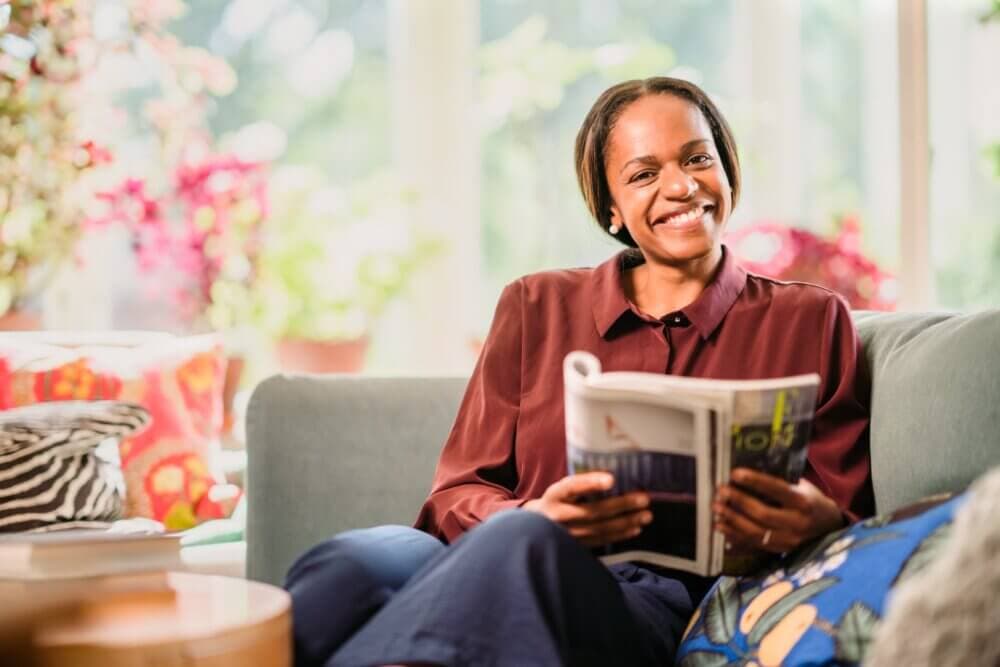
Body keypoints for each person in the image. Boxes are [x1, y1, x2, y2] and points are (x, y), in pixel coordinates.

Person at [285, 77, 873, 667]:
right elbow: (454, 494)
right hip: (482, 559)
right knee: (346, 568)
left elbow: (846, 510)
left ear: (727, 172)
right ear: (612, 208)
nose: (681, 185)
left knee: (525, 546)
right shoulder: (534, 306)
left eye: (698, 158)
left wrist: (809, 516)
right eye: (644, 174)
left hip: (647, 603)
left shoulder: (809, 318)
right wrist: (535, 515)